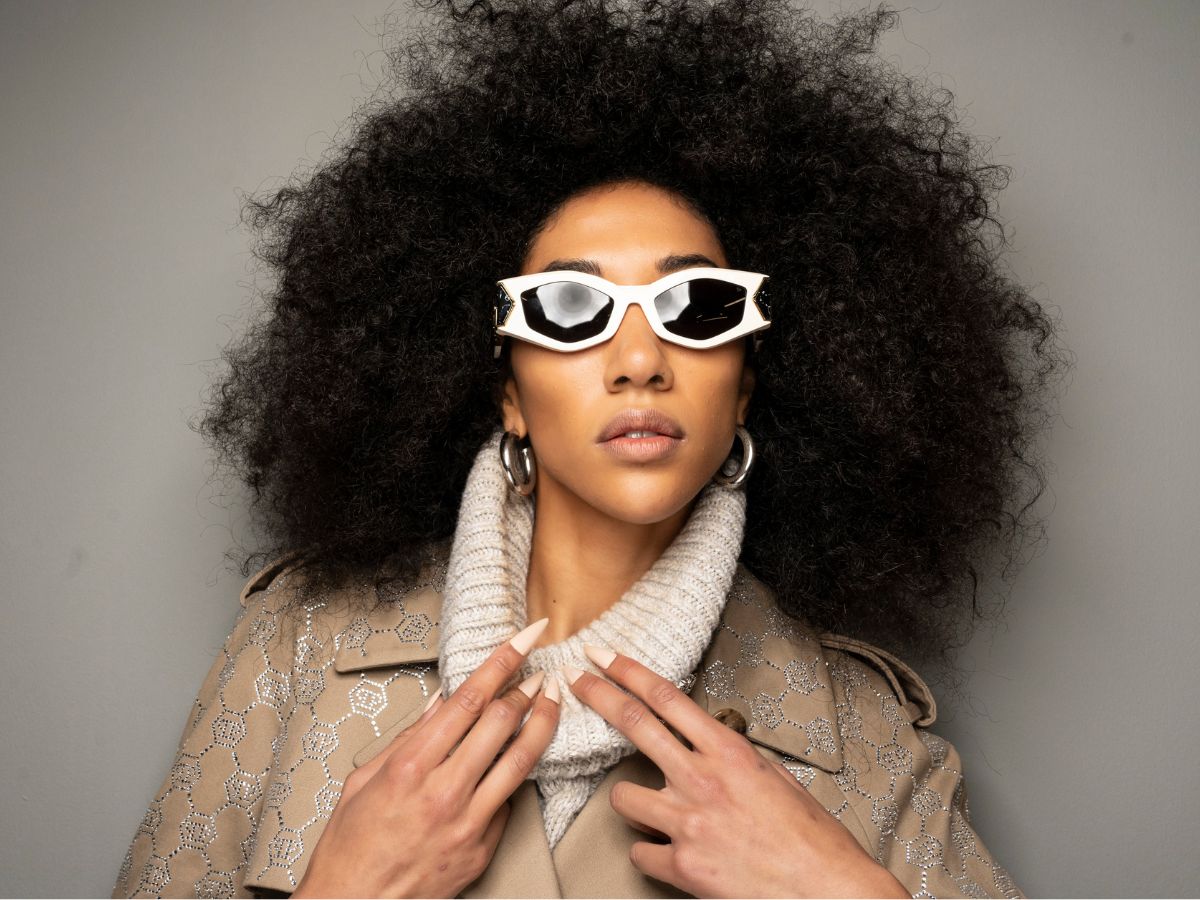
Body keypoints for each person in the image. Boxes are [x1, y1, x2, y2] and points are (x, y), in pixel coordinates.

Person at [114, 0, 1060, 896]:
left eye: (698, 306)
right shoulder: (296, 649)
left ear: (745, 386)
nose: (640, 360)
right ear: (508, 393)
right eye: (571, 308)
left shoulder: (862, 735)